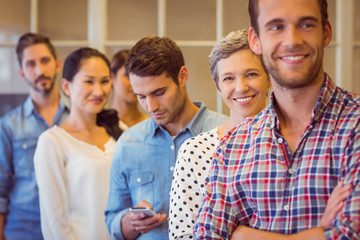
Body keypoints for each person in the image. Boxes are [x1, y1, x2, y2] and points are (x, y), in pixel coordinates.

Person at [194, 0, 359, 239]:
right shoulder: (233, 145)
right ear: (256, 40)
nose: (292, 40)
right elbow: (206, 236)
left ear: (326, 32)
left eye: (305, 24)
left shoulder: (355, 123)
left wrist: (243, 236)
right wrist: (320, 234)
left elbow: (350, 234)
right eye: (275, 27)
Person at [105, 36, 228, 240]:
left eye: (159, 92)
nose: (151, 107)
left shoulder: (226, 132)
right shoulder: (128, 143)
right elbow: (113, 223)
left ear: (182, 76)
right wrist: (130, 221)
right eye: (141, 97)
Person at [169, 29, 271, 239]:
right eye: (228, 78)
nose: (241, 87)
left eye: (251, 74)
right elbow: (182, 235)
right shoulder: (195, 152)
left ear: (270, 78)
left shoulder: (292, 142)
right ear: (218, 86)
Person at [34, 47, 122, 240]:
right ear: (66, 86)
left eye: (105, 81)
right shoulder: (52, 142)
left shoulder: (119, 131)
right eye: (89, 81)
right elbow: (54, 223)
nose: (99, 91)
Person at [0, 32, 69, 240]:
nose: (40, 70)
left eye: (45, 61)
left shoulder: (78, 118)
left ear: (57, 65)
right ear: (22, 73)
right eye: (31, 64)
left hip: (69, 228)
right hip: (22, 231)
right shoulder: (8, 125)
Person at [110, 49, 148, 131]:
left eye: (140, 76)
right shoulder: (99, 123)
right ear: (111, 77)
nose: (135, 83)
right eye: (127, 76)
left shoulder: (152, 125)